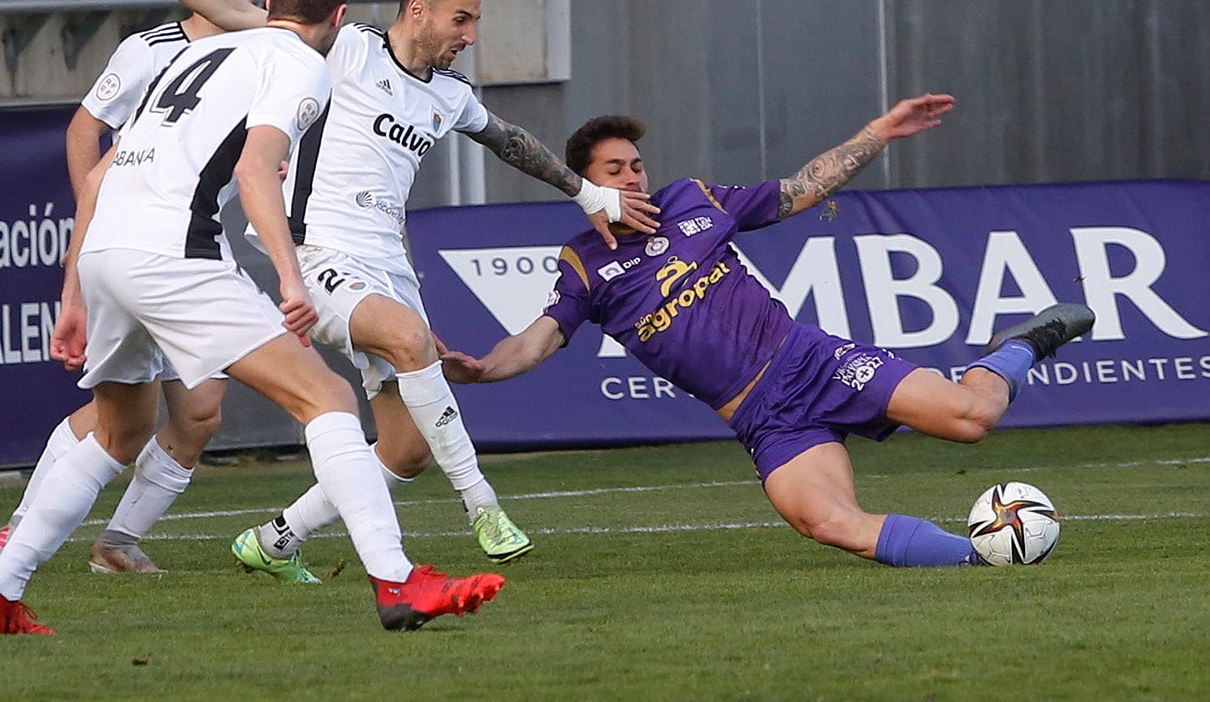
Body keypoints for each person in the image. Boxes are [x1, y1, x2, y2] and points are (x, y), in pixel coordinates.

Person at [0, 0, 505, 636]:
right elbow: (255, 173)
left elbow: (96, 176)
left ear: (268, 0)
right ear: (339, 17)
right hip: (173, 253)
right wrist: (288, 276)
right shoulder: (305, 67)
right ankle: (399, 584)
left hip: (107, 252)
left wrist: (72, 291)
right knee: (329, 397)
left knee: (121, 431)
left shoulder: (194, 51)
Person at [96, 0, 660, 578]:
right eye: (461, 19)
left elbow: (512, 140)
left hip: (390, 268)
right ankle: (482, 504)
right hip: (321, 255)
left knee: (406, 448)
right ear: (418, 9)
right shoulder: (345, 49)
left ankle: (275, 540)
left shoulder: (448, 95)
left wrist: (588, 195)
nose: (470, 36)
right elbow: (238, 10)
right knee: (413, 344)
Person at [435, 102, 1096, 568]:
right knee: (826, 523)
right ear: (586, 185)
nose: (634, 177)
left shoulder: (693, 200)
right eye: (615, 170)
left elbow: (801, 190)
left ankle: (1024, 343)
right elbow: (537, 340)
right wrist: (480, 370)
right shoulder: (585, 262)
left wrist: (879, 132)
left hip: (811, 362)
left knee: (972, 416)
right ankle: (980, 562)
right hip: (762, 418)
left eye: (636, 165)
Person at [0, 0, 263, 575]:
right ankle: (23, 528)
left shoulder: (258, 52)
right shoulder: (149, 49)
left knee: (199, 414)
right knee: (121, 418)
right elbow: (90, 129)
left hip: (197, 248)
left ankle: (117, 544)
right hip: (137, 244)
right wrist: (93, 216)